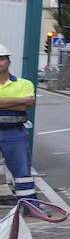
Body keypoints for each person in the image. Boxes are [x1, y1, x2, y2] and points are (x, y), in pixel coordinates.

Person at [0, 44, 37, 203]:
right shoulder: (22, 87)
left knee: (22, 173)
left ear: (9, 62)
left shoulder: (24, 84)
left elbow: (27, 103)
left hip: (14, 133)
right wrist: (18, 101)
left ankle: (29, 206)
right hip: (14, 133)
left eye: (1, 58)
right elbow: (22, 103)